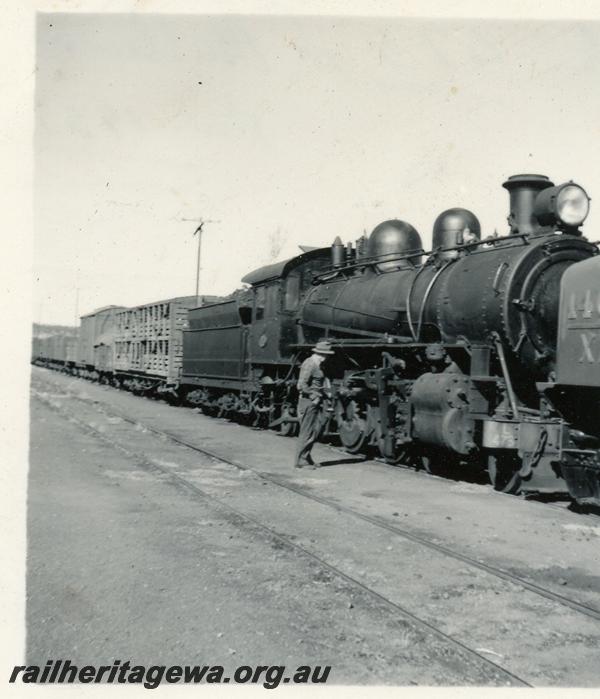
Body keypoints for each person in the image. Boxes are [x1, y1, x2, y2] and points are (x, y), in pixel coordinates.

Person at [293, 341, 335, 469]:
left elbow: (316, 384)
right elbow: (301, 385)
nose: (326, 357)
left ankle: (307, 457)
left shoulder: (317, 364)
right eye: (325, 355)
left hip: (313, 401)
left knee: (313, 431)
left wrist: (324, 393)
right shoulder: (310, 364)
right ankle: (300, 461)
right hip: (308, 402)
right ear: (320, 354)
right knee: (307, 432)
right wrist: (314, 396)